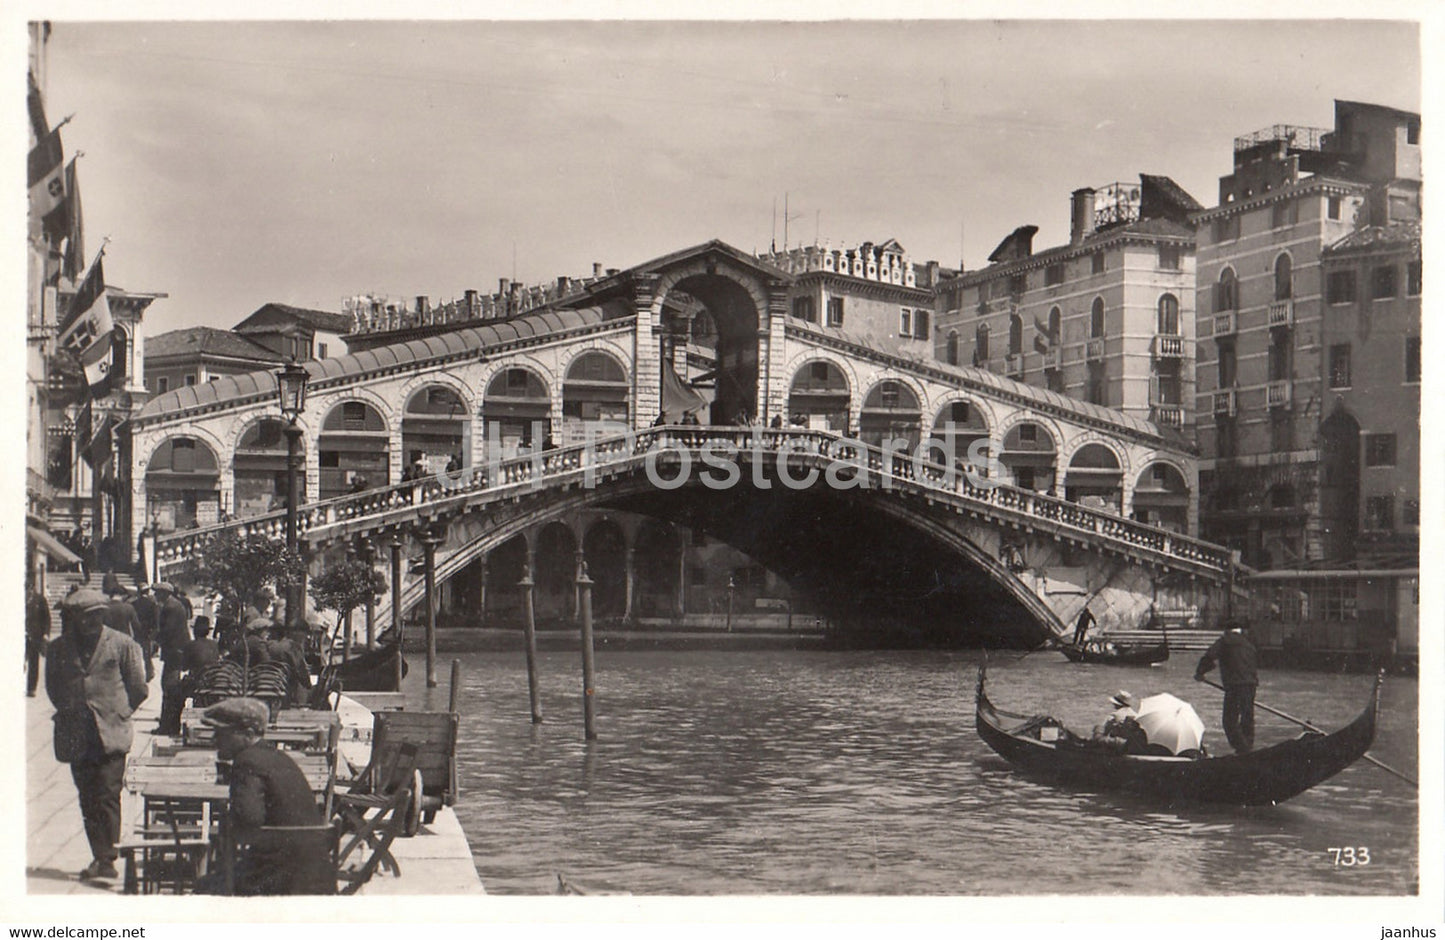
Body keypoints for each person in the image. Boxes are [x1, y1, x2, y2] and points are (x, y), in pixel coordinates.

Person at [44, 589, 149, 881]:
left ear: (103, 614)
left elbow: (139, 688)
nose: (91, 622)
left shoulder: (122, 644)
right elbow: (53, 687)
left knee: (108, 793)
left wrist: (119, 712)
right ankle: (98, 856)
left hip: (111, 731)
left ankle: (107, 858)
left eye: (96, 616)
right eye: (84, 617)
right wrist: (71, 712)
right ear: (74, 618)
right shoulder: (58, 648)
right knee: (87, 796)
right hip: (77, 733)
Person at [199, 698, 334, 895]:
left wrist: (227, 820)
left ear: (248, 734)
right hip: (315, 873)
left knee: (203, 889)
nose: (214, 740)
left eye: (221, 733)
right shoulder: (279, 757)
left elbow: (249, 820)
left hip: (279, 876)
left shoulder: (247, 762)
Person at [1195, 619, 1259, 753]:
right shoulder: (1248, 643)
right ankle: (1248, 747)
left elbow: (1209, 656)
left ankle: (1243, 749)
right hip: (1251, 684)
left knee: (1229, 721)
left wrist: (1200, 673)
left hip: (1235, 685)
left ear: (1226, 630)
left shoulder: (1224, 641)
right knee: (1247, 718)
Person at [153, 582, 193, 736]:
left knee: (169, 687)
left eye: (158, 593)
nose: (156, 596)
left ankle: (167, 725)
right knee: (169, 687)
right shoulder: (174, 605)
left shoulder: (170, 607)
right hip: (176, 652)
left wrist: (155, 639)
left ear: (165, 593)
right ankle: (167, 723)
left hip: (174, 652)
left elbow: (167, 631)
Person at [26, 576, 51, 697]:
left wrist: (46, 633)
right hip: (22, 635)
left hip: (35, 636)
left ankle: (31, 688)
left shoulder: (40, 600)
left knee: (33, 662)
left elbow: (47, 618)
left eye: (28, 588)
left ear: (32, 588)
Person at [132, 584, 158, 682]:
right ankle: (149, 672)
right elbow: (155, 619)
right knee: (147, 654)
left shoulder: (134, 603)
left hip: (137, 631)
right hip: (147, 631)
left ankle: (137, 675)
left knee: (136, 654)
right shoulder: (151, 604)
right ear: (147, 592)